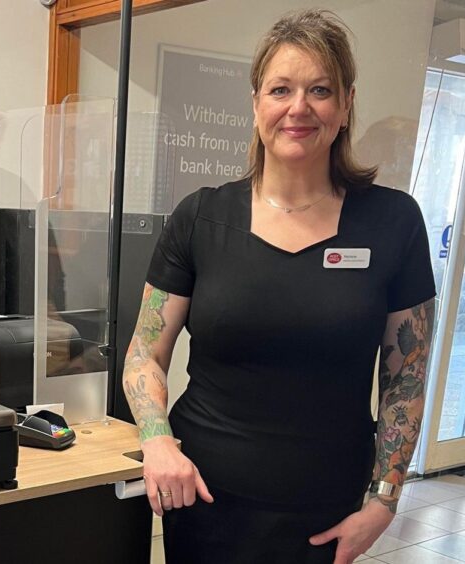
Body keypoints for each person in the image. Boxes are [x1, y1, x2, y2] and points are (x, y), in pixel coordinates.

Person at [123, 10, 435, 564]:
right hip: (205, 500)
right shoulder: (201, 217)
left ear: (344, 106)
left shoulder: (393, 222)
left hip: (327, 513)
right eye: (281, 89)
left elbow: (406, 375)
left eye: (320, 90)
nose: (299, 108)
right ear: (256, 103)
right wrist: (156, 440)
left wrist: (384, 499)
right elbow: (144, 353)